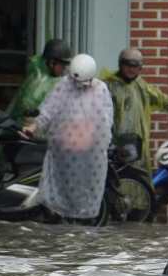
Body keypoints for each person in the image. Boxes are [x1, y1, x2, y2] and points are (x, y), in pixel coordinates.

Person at [24, 54, 112, 221]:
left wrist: (100, 144)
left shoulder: (100, 89)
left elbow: (106, 121)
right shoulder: (63, 86)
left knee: (85, 185)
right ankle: (60, 217)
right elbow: (48, 110)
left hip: (89, 152)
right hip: (63, 150)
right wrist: (33, 127)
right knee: (60, 185)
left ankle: (83, 219)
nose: (79, 86)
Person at [103, 47, 168, 170]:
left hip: (137, 147)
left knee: (138, 180)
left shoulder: (141, 86)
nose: (131, 69)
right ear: (120, 64)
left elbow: (160, 97)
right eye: (127, 65)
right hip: (114, 146)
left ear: (140, 68)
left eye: (135, 66)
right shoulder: (108, 86)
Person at [6, 38, 71, 123]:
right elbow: (29, 109)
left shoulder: (39, 70)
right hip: (26, 131)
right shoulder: (40, 82)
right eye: (62, 66)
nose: (64, 69)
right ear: (52, 63)